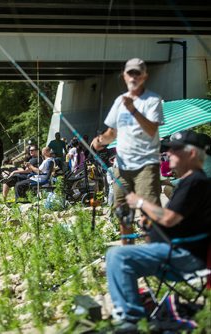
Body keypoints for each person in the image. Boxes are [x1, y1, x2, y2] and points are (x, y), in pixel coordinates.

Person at [106, 130, 211, 329]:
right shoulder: (191, 182)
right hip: (175, 253)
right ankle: (132, 311)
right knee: (119, 258)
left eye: (174, 150)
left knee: (118, 256)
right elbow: (179, 222)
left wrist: (140, 202)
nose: (168, 154)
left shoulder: (195, 182)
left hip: (183, 258)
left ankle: (130, 320)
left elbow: (170, 219)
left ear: (191, 154)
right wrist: (150, 225)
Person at [92, 58, 164, 244]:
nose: (133, 76)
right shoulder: (119, 101)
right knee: (123, 213)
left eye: (137, 73)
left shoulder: (152, 100)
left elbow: (152, 130)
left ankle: (152, 256)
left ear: (144, 76)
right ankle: (129, 253)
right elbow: (112, 132)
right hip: (121, 167)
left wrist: (133, 110)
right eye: (130, 73)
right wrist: (99, 141)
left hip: (146, 166)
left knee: (149, 214)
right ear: (124, 76)